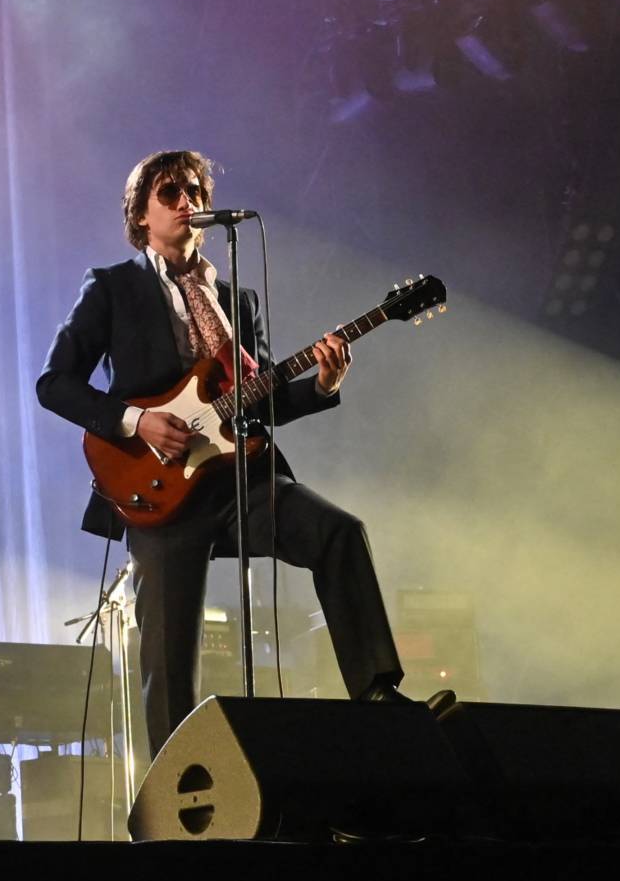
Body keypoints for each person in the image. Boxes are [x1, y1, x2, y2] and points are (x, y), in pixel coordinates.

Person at [36, 149, 405, 753]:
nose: (188, 203)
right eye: (170, 193)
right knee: (170, 663)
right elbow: (54, 383)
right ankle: (173, 807)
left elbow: (258, 405)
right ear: (140, 216)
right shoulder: (112, 288)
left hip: (239, 482)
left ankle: (378, 691)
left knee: (338, 533)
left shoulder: (238, 300)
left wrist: (321, 384)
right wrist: (137, 421)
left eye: (195, 192)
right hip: (156, 491)